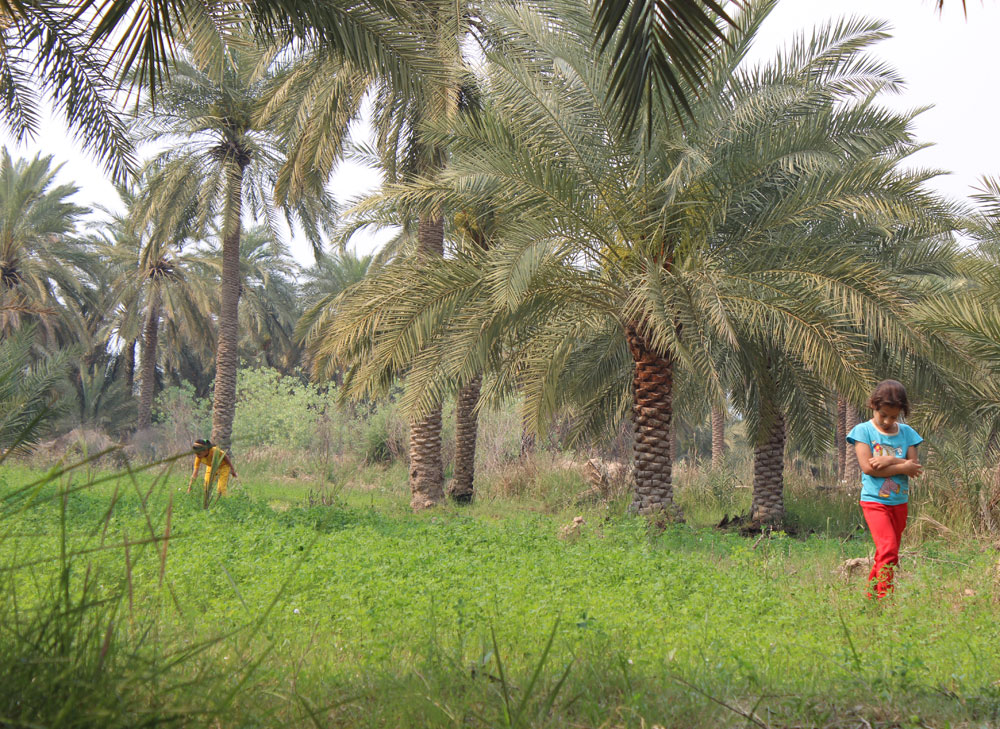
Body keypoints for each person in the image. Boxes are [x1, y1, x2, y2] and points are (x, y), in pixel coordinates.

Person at [846, 380, 923, 599]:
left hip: (899, 503)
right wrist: (901, 465)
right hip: (874, 502)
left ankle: (871, 600)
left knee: (887, 554)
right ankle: (885, 601)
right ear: (873, 406)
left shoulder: (907, 433)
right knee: (889, 549)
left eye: (894, 416)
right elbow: (868, 468)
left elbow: (914, 468)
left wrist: (888, 460)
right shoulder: (863, 431)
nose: (888, 421)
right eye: (883, 415)